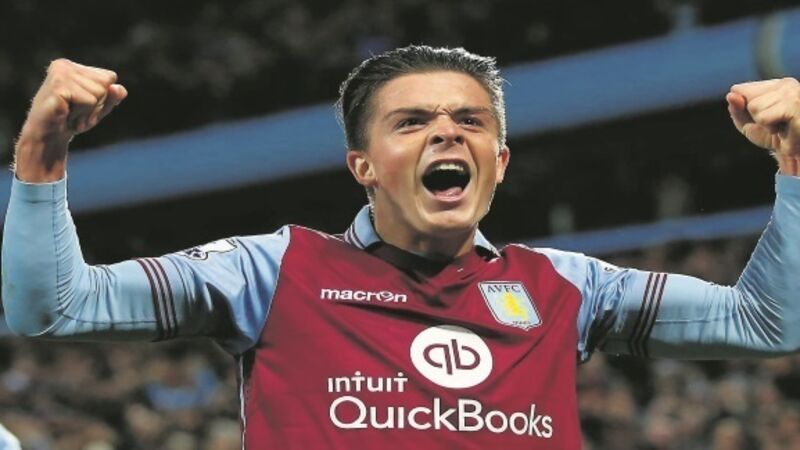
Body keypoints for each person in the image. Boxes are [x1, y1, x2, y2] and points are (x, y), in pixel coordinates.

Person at [3, 45, 800, 449]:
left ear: (499, 162)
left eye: (469, 121)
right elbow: (55, 308)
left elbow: (769, 323)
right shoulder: (270, 272)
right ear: (363, 166)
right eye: (411, 122)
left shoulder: (570, 288)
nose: (447, 132)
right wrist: (40, 158)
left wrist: (795, 165)